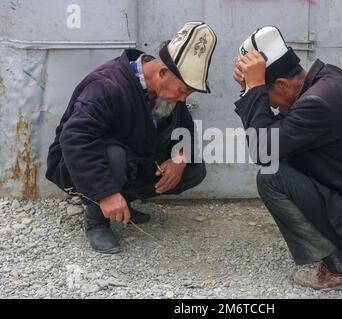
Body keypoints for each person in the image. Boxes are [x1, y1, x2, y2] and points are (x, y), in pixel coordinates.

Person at [233, 26, 342, 290]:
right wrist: (253, 91)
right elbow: (274, 141)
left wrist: (254, 88)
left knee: (271, 176)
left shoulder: (318, 102)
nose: (271, 108)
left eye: (268, 99)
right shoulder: (325, 81)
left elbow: (263, 150)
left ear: (281, 84)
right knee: (282, 157)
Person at [46, 22, 217, 254]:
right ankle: (97, 220)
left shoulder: (166, 92)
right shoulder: (107, 85)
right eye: (184, 90)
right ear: (163, 73)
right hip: (80, 163)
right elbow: (75, 138)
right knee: (113, 156)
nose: (184, 98)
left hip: (135, 159)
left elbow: (184, 130)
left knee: (194, 168)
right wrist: (106, 193)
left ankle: (124, 202)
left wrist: (179, 158)